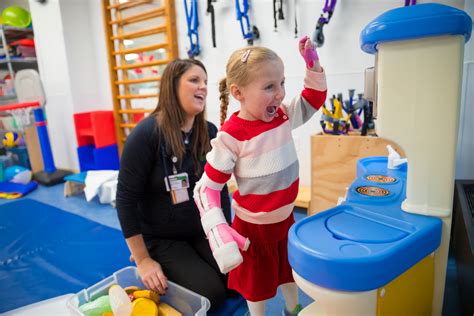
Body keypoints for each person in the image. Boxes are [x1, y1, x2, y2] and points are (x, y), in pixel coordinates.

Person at [194, 36, 327, 316]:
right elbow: (206, 189)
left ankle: (293, 309)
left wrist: (312, 65)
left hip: (285, 220)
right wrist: (217, 228)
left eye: (281, 84)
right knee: (257, 289)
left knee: (289, 272)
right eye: (269, 87)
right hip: (252, 230)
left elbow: (314, 99)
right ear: (238, 92)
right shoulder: (231, 136)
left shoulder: (281, 115)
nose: (279, 94)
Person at [116, 58, 232, 310]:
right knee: (212, 294)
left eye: (205, 82)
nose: (202, 87)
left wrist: (225, 233)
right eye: (194, 80)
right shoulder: (146, 135)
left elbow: (219, 189)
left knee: (237, 278)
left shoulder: (209, 132)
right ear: (172, 86)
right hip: (161, 238)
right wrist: (143, 259)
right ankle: (151, 259)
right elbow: (125, 200)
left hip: (200, 229)